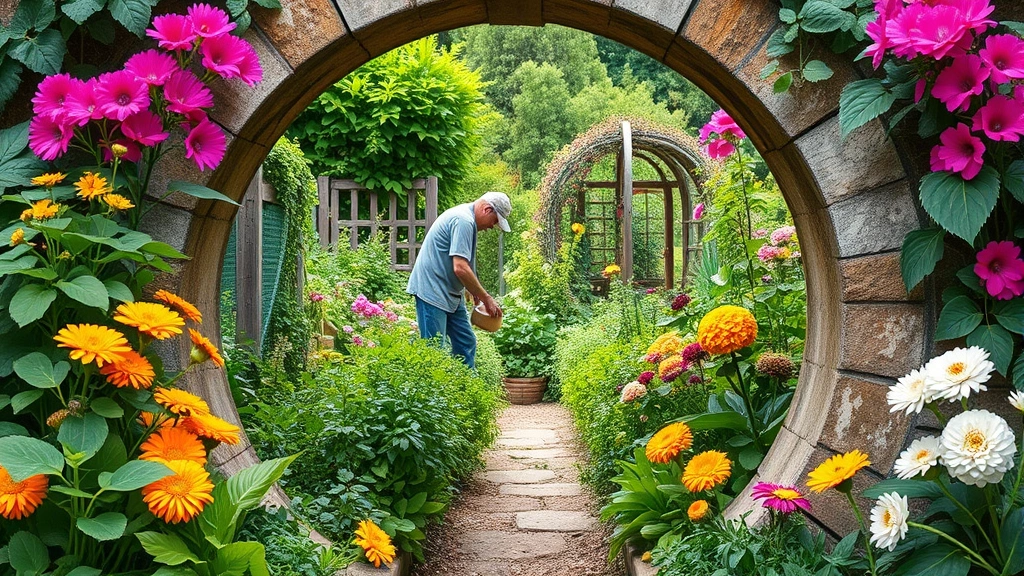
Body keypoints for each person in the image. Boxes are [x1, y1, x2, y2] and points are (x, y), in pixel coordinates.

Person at [406, 191, 511, 368]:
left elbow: (463, 265)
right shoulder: (464, 220)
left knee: (466, 343)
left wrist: (472, 289)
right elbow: (460, 267)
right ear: (487, 209)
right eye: (495, 221)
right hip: (431, 291)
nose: (492, 226)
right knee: (434, 351)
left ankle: (466, 390)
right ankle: (436, 394)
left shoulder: (467, 220)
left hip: (450, 293)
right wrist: (486, 298)